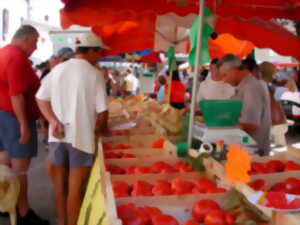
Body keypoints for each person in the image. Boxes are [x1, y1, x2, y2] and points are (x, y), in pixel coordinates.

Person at [36, 32, 109, 225]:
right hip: (82, 138)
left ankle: (62, 222)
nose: (100, 57)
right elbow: (102, 113)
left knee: (60, 188)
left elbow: (41, 97)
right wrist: (101, 129)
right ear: (91, 52)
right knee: (75, 190)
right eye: (99, 53)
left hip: (57, 136)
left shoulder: (58, 69)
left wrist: (52, 120)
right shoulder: (95, 75)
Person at [0, 25, 49, 225]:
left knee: (4, 162)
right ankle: (22, 212)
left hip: (3, 115)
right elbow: (17, 95)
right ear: (26, 39)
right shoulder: (16, 57)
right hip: (13, 117)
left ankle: (5, 205)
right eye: (36, 41)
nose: (36, 47)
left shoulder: (3, 52)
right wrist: (24, 124)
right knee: (20, 168)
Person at [218, 54, 271, 156]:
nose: (223, 80)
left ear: (233, 69)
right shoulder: (243, 86)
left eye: (224, 75)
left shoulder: (251, 87)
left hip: (253, 153)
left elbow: (252, 125)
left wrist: (222, 126)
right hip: (244, 149)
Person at [260, 62, 288, 147]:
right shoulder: (278, 84)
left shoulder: (259, 85)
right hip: (281, 123)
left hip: (266, 126)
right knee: (282, 152)